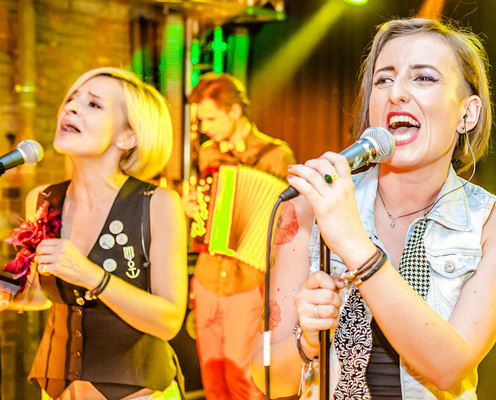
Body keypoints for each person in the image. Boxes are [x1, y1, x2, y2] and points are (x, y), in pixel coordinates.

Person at [251, 17, 496, 399]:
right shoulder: (305, 212)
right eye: (383, 80)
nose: (396, 92)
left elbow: (448, 369)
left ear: (467, 114)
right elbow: (266, 379)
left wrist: (355, 245)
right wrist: (308, 341)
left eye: (424, 78)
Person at [0, 67, 188, 400]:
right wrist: (5, 292)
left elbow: (169, 320)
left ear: (127, 138)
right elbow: (39, 294)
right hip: (56, 391)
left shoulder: (157, 203)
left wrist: (90, 275)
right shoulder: (42, 200)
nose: (71, 108)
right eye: (71, 100)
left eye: (93, 104)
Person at [183, 72, 296, 400]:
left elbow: (290, 224)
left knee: (244, 380)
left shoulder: (276, 155)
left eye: (210, 119)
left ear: (234, 111)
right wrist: (190, 207)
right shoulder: (207, 154)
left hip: (248, 282)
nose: (204, 127)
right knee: (212, 377)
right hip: (207, 277)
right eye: (201, 120)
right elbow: (202, 209)